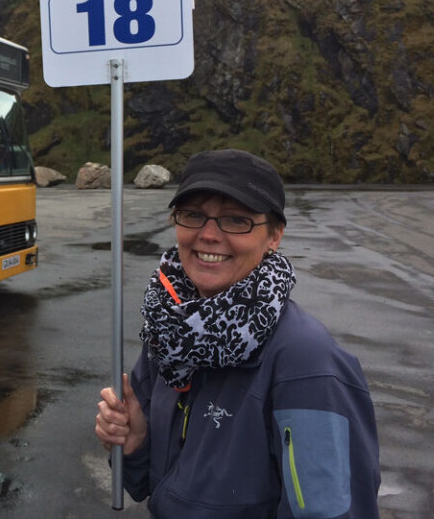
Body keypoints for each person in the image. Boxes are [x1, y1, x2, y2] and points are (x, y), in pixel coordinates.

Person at [95, 149, 380, 518]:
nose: (209, 235)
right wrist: (135, 445)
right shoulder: (169, 332)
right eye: (193, 215)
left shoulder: (306, 363)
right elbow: (157, 487)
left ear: (274, 235)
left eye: (236, 220)